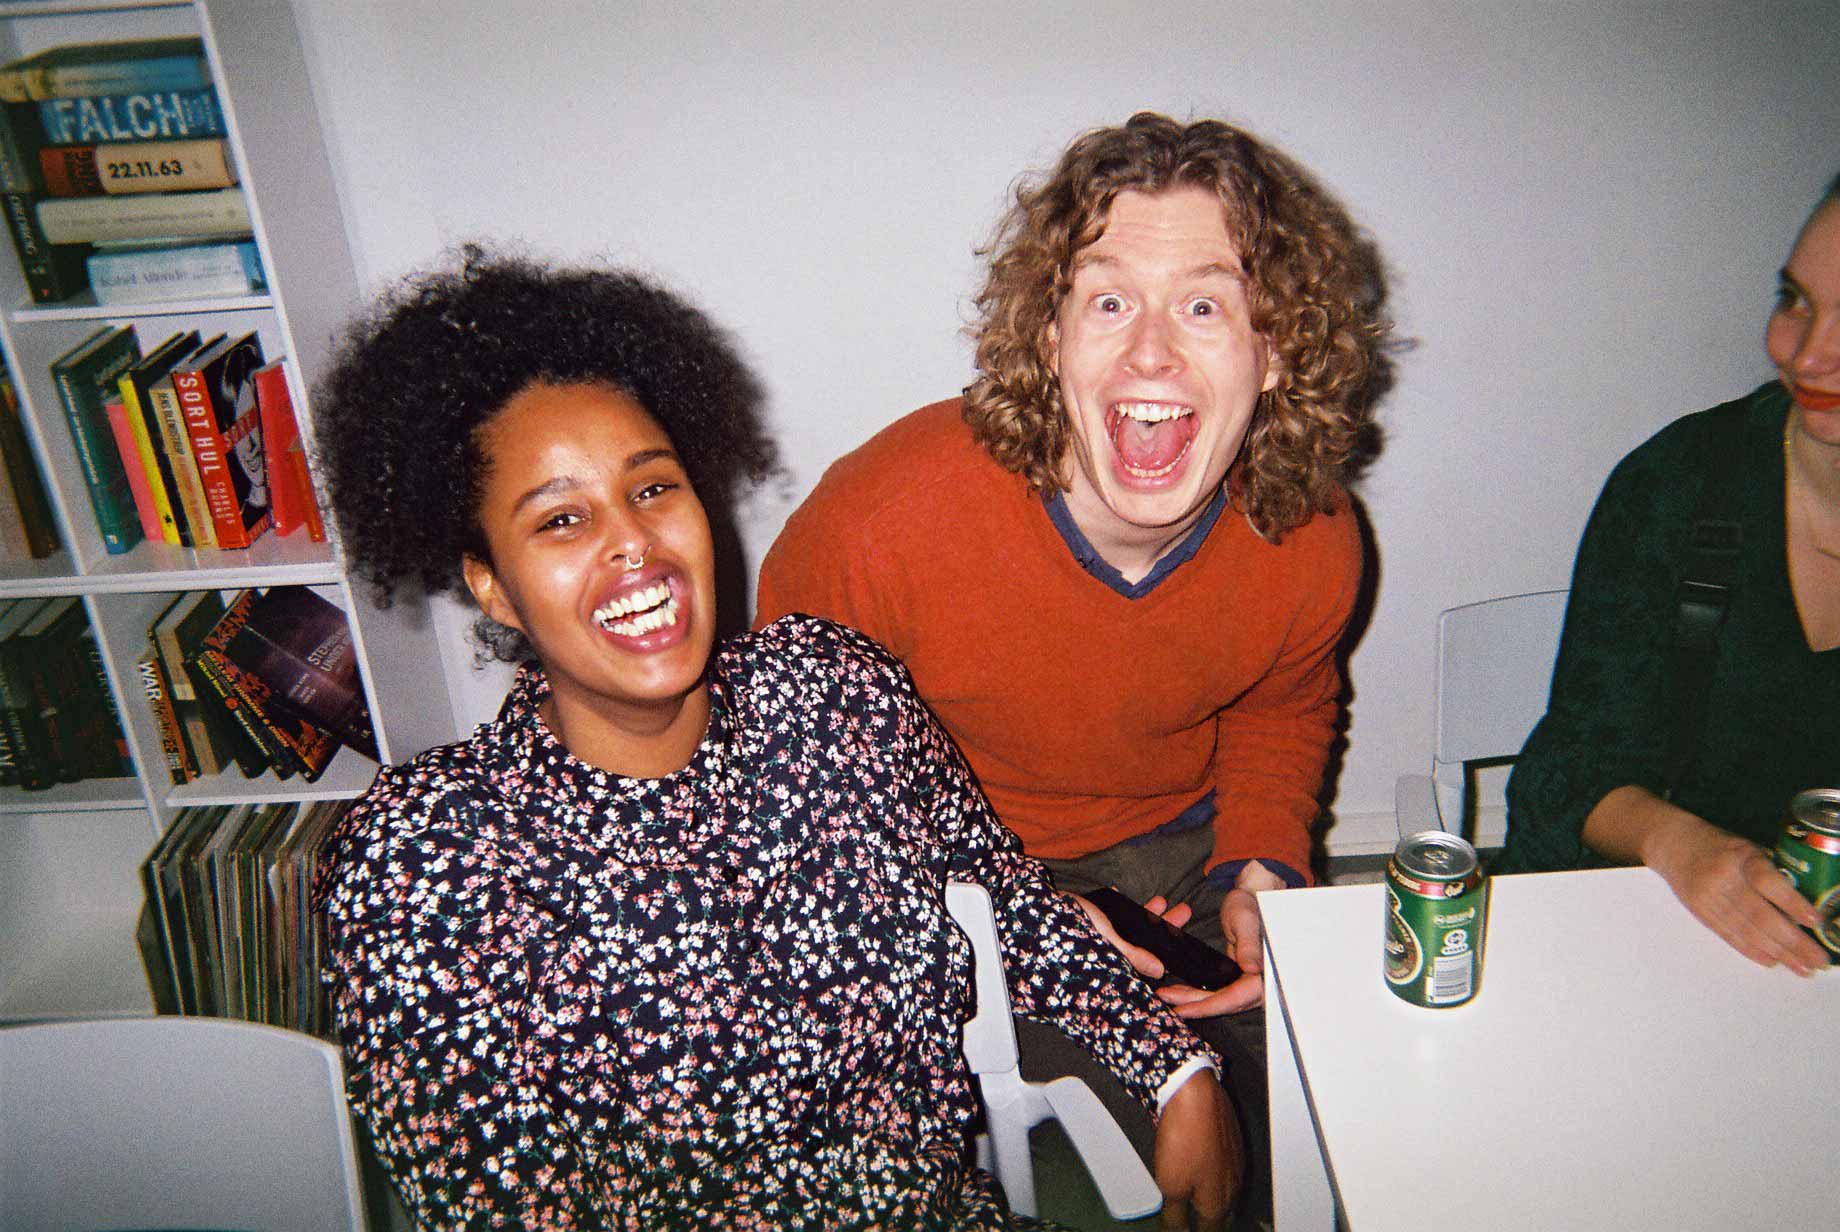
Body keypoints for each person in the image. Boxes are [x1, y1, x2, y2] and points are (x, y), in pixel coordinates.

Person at [309, 247, 1239, 1230]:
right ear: (491, 584)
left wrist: (1175, 1069)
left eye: (653, 489)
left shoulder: (835, 690)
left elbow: (995, 889)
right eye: (563, 520)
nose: (633, 543)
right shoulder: (429, 854)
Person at [753, 112, 1390, 1223]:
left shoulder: (1312, 530)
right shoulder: (877, 525)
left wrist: (1263, 864)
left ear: (1277, 350)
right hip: (958, 869)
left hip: (1187, 847)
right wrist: (1017, 920)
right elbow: (802, 812)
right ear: (1048, 339)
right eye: (1107, 302)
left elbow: (1283, 706)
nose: (1151, 353)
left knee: (1350, 1129)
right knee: (1215, 1159)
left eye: (1205, 305)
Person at [1501, 173, 1840, 974]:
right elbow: (1563, 776)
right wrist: (1679, 843)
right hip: (1652, 923)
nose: (1807, 354)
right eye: (1795, 301)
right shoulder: (1680, 484)